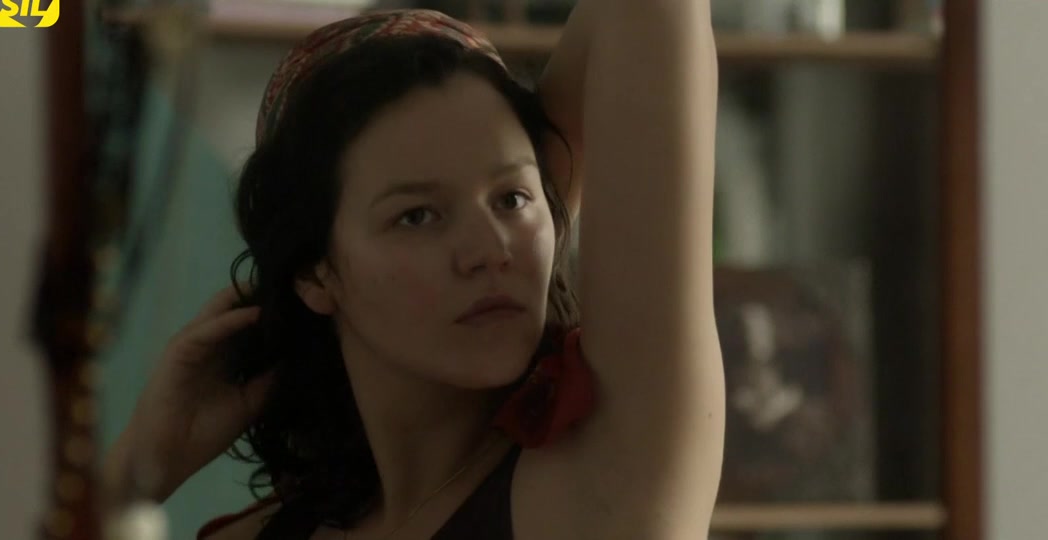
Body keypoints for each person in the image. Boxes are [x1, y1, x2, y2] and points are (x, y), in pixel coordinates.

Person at [105, 2, 724, 538]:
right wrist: (140, 468)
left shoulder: (604, 482)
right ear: (316, 274)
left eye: (511, 200)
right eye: (418, 216)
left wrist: (538, 202)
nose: (491, 250)